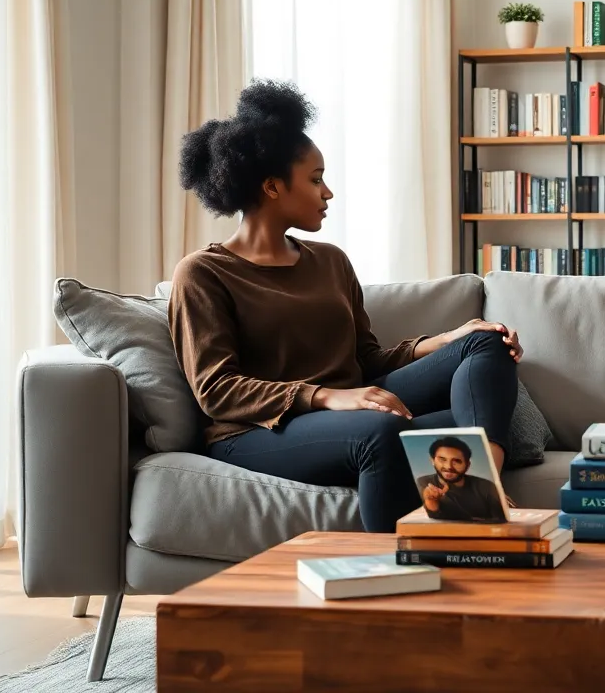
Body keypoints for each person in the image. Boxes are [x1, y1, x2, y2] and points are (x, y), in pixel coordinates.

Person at [169, 79, 524, 534]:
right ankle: (390, 586)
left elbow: (366, 360)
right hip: (256, 433)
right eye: (315, 180)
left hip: (350, 408)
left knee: (484, 341)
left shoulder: (330, 260)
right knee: (382, 434)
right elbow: (217, 388)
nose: (328, 193)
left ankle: (481, 483)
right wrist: (327, 397)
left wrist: (446, 339)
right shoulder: (203, 272)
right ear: (272, 187)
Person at [415, 436, 508, 522]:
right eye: (442, 459)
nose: (449, 467)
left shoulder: (485, 486)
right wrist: (431, 501)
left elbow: (501, 521)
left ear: (467, 465)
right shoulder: (424, 483)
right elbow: (434, 519)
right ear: (432, 461)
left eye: (456, 461)